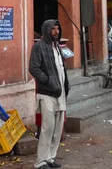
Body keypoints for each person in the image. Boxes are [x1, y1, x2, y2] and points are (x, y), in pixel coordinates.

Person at [29, 19, 70, 169]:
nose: (56, 32)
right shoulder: (39, 46)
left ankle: (50, 158)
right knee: (47, 128)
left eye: (58, 29)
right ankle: (40, 162)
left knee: (57, 129)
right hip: (47, 93)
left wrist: (65, 86)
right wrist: (48, 81)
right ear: (46, 30)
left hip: (60, 94)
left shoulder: (57, 46)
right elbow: (34, 68)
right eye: (53, 29)